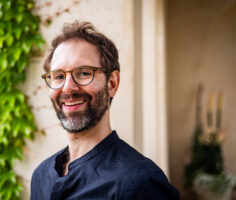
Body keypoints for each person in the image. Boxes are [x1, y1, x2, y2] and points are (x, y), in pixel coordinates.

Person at [30, 21, 180, 200]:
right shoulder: (41, 176)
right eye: (59, 76)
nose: (68, 88)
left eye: (84, 73)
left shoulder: (142, 183)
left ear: (112, 84)